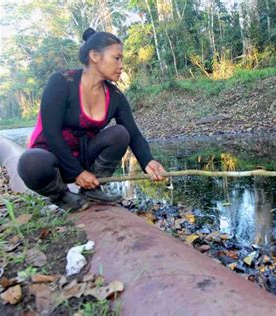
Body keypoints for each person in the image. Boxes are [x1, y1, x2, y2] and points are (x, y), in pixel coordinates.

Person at [18, 27, 166, 212]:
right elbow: (51, 133)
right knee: (29, 162)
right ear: (95, 56)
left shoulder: (115, 96)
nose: (121, 65)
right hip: (52, 159)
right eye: (116, 58)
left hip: (84, 156)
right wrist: (76, 173)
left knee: (120, 133)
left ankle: (92, 190)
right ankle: (62, 196)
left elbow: (134, 134)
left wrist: (148, 162)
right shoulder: (62, 82)